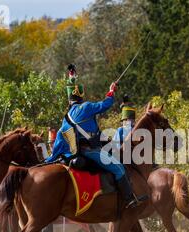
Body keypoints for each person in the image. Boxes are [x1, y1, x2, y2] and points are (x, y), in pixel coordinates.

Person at [45, 64, 147, 209]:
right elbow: (105, 104)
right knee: (119, 168)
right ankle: (130, 199)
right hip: (91, 150)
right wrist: (111, 91)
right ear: (81, 97)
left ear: (69, 100)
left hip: (76, 152)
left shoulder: (66, 116)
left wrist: (50, 159)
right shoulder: (85, 107)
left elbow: (60, 140)